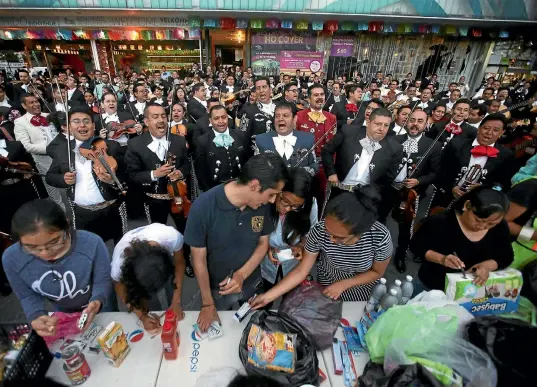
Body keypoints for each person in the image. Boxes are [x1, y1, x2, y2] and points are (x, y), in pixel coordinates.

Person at [184, 153, 289, 331]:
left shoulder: (262, 206)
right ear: (255, 186)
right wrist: (208, 303)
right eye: (272, 194)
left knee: (255, 329)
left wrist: (241, 275)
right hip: (218, 289)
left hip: (253, 283)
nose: (273, 200)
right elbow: (198, 260)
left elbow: (262, 244)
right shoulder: (203, 207)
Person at [251, 185, 392, 306]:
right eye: (328, 231)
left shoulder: (379, 237)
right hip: (325, 285)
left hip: (358, 290)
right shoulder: (319, 230)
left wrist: (343, 284)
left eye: (339, 237)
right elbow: (301, 271)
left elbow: (376, 272)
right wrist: (267, 297)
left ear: (359, 233)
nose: (330, 239)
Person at [2, 199, 114, 336]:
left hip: (102, 305)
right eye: (31, 248)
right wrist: (36, 314)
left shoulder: (91, 243)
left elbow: (102, 280)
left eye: (54, 242)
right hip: (63, 313)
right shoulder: (11, 258)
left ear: (66, 225)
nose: (45, 253)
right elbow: (26, 295)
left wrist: (98, 300)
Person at [45, 108, 127, 243]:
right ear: (69, 127)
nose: (82, 125)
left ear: (93, 126)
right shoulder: (62, 150)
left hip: (112, 208)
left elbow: (127, 175)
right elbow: (50, 176)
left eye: (86, 121)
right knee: (88, 249)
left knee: (122, 247)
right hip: (82, 212)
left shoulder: (111, 146)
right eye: (76, 122)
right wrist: (63, 179)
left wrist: (113, 181)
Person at [410, 187, 513, 292]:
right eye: (478, 220)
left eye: (491, 224)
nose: (482, 227)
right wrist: (442, 259)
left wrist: (486, 266)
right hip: (432, 285)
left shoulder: (500, 228)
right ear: (466, 205)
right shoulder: (441, 222)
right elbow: (416, 246)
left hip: (469, 291)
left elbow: (506, 256)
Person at [321, 107, 403, 215]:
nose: (381, 129)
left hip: (367, 197)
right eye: (378, 124)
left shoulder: (395, 148)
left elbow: (388, 178)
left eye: (386, 125)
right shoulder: (348, 132)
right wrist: (331, 173)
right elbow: (327, 150)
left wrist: (370, 192)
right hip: (340, 190)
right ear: (368, 122)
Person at [389, 110, 442, 271]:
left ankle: (401, 255)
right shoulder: (394, 139)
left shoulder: (433, 145)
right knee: (378, 219)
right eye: (412, 120)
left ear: (426, 123)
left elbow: (435, 172)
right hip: (389, 189)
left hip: (411, 193)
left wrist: (418, 180)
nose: (415, 124)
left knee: (405, 226)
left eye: (420, 121)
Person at [433, 113, 517, 212]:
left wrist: (483, 188)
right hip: (445, 198)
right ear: (479, 128)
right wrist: (452, 187)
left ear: (502, 133)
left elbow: (504, 183)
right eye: (486, 128)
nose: (489, 133)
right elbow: (440, 169)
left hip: (477, 206)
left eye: (496, 130)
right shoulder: (456, 144)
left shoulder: (506, 155)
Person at [124, 104, 190, 230]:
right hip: (152, 201)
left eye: (163, 116)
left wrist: (180, 173)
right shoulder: (135, 144)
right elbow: (131, 175)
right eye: (155, 117)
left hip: (179, 197)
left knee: (185, 231)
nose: (161, 120)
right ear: (146, 122)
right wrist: (154, 174)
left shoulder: (179, 141)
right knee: (157, 237)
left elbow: (187, 165)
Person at [111, 223, 186, 331]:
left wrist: (176, 301)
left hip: (160, 266)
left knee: (172, 289)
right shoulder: (119, 265)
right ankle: (152, 315)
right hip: (137, 273)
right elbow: (120, 290)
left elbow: (179, 263)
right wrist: (142, 317)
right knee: (151, 306)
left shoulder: (171, 237)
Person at [260, 168, 318, 294]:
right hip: (265, 263)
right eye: (285, 201)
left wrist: (301, 245)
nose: (287, 209)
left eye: (295, 206)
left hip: (292, 265)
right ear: (279, 190)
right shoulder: (264, 201)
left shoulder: (310, 204)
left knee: (291, 297)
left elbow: (312, 232)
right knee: (265, 293)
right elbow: (253, 232)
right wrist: (265, 248)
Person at [14, 94, 65, 209]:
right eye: (31, 102)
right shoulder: (20, 122)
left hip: (63, 157)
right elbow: (24, 145)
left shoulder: (49, 116)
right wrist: (49, 149)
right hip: (44, 161)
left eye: (36, 101)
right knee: (54, 191)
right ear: (24, 105)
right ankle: (62, 215)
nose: (36, 104)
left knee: (69, 184)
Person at [194, 105, 248, 192]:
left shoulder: (240, 135)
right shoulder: (202, 141)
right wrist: (209, 193)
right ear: (210, 121)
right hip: (216, 190)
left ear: (228, 117)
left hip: (240, 187)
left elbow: (247, 162)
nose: (221, 121)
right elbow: (201, 172)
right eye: (216, 118)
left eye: (223, 117)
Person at [256, 101, 318, 176]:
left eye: (285, 115)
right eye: (277, 116)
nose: (280, 119)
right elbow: (256, 168)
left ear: (294, 119)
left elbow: (314, 165)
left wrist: (303, 174)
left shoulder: (308, 139)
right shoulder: (261, 140)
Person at [238, 77, 275, 153]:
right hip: (258, 158)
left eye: (264, 87)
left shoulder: (280, 108)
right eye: (258, 88)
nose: (261, 91)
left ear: (270, 89)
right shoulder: (248, 111)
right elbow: (243, 137)